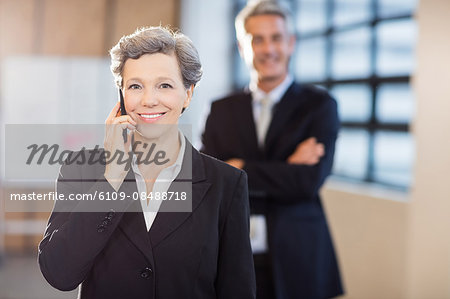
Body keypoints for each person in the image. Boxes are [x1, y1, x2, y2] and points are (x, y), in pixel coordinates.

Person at [38, 26, 256, 299]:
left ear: (187, 93)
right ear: (121, 96)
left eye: (164, 85)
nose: (149, 100)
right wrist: (112, 178)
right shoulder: (81, 168)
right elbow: (59, 272)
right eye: (135, 86)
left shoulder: (226, 183)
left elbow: (237, 289)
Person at [201, 1, 343, 298]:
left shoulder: (318, 106)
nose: (268, 49)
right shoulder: (220, 110)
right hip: (232, 256)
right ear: (242, 47)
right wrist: (284, 168)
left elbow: (307, 182)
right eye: (258, 39)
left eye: (276, 38)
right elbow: (209, 182)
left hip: (298, 256)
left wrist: (240, 168)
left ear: (291, 43)